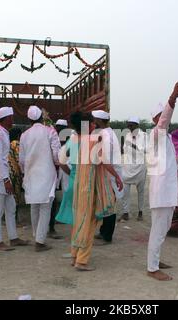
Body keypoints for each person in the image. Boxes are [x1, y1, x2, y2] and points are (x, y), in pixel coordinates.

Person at [146, 81, 178, 281]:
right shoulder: (157, 133)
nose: (165, 119)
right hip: (162, 192)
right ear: (156, 119)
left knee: (162, 229)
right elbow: (164, 120)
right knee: (158, 230)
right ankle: (152, 268)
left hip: (166, 192)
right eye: (161, 116)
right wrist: (173, 97)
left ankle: (154, 260)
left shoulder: (166, 137)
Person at [70, 112, 123, 271]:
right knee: (89, 222)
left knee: (80, 219)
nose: (94, 125)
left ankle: (75, 255)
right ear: (87, 125)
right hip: (90, 186)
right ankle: (81, 260)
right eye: (92, 123)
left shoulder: (75, 139)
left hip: (80, 185)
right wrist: (117, 177)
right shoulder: (94, 140)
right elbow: (104, 162)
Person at [0, 106, 29, 251]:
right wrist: (6, 180)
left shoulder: (3, 133)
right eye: (11, 118)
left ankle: (13, 238)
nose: (12, 120)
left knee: (11, 208)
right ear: (6, 119)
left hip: (3, 176)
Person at [19, 106, 61, 252]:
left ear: (29, 119)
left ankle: (37, 236)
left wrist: (25, 172)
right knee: (45, 207)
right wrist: (57, 165)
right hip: (46, 173)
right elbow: (57, 154)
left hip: (31, 174)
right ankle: (40, 242)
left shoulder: (24, 135)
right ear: (41, 117)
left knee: (34, 205)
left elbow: (22, 160)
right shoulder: (50, 131)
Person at [92, 110, 123, 245]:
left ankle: (107, 236)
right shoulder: (106, 133)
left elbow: (104, 159)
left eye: (94, 119)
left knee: (110, 204)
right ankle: (104, 230)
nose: (93, 121)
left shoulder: (107, 135)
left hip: (110, 172)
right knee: (106, 202)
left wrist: (116, 176)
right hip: (109, 172)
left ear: (99, 120)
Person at [119, 117, 147, 222]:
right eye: (128, 125)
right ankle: (125, 212)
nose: (129, 127)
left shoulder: (144, 136)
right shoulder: (127, 135)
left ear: (137, 125)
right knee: (125, 191)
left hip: (140, 167)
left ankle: (140, 212)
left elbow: (146, 150)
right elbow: (125, 149)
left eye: (131, 125)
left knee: (141, 191)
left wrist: (133, 146)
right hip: (128, 167)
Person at [48, 119, 70, 240]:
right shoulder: (53, 139)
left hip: (65, 169)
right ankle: (52, 225)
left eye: (62, 127)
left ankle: (63, 217)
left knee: (67, 192)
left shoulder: (69, 140)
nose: (59, 129)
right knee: (53, 197)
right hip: (55, 170)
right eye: (58, 127)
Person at [8, 127, 24, 224]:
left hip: (8, 172)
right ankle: (14, 220)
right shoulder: (16, 143)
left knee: (9, 197)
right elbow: (19, 159)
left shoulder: (8, 143)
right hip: (14, 173)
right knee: (16, 196)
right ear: (18, 135)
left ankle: (5, 218)